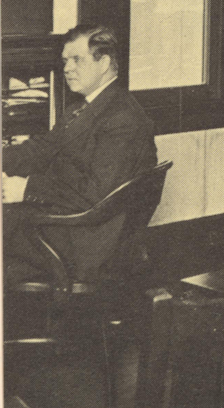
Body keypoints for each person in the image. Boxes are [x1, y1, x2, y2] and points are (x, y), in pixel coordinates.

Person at [3, 24, 158, 283]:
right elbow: (42, 149)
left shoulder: (123, 118)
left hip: (85, 238)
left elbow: (95, 193)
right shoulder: (84, 108)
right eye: (65, 60)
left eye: (77, 59)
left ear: (104, 62)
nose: (66, 68)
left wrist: (27, 187)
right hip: (68, 220)